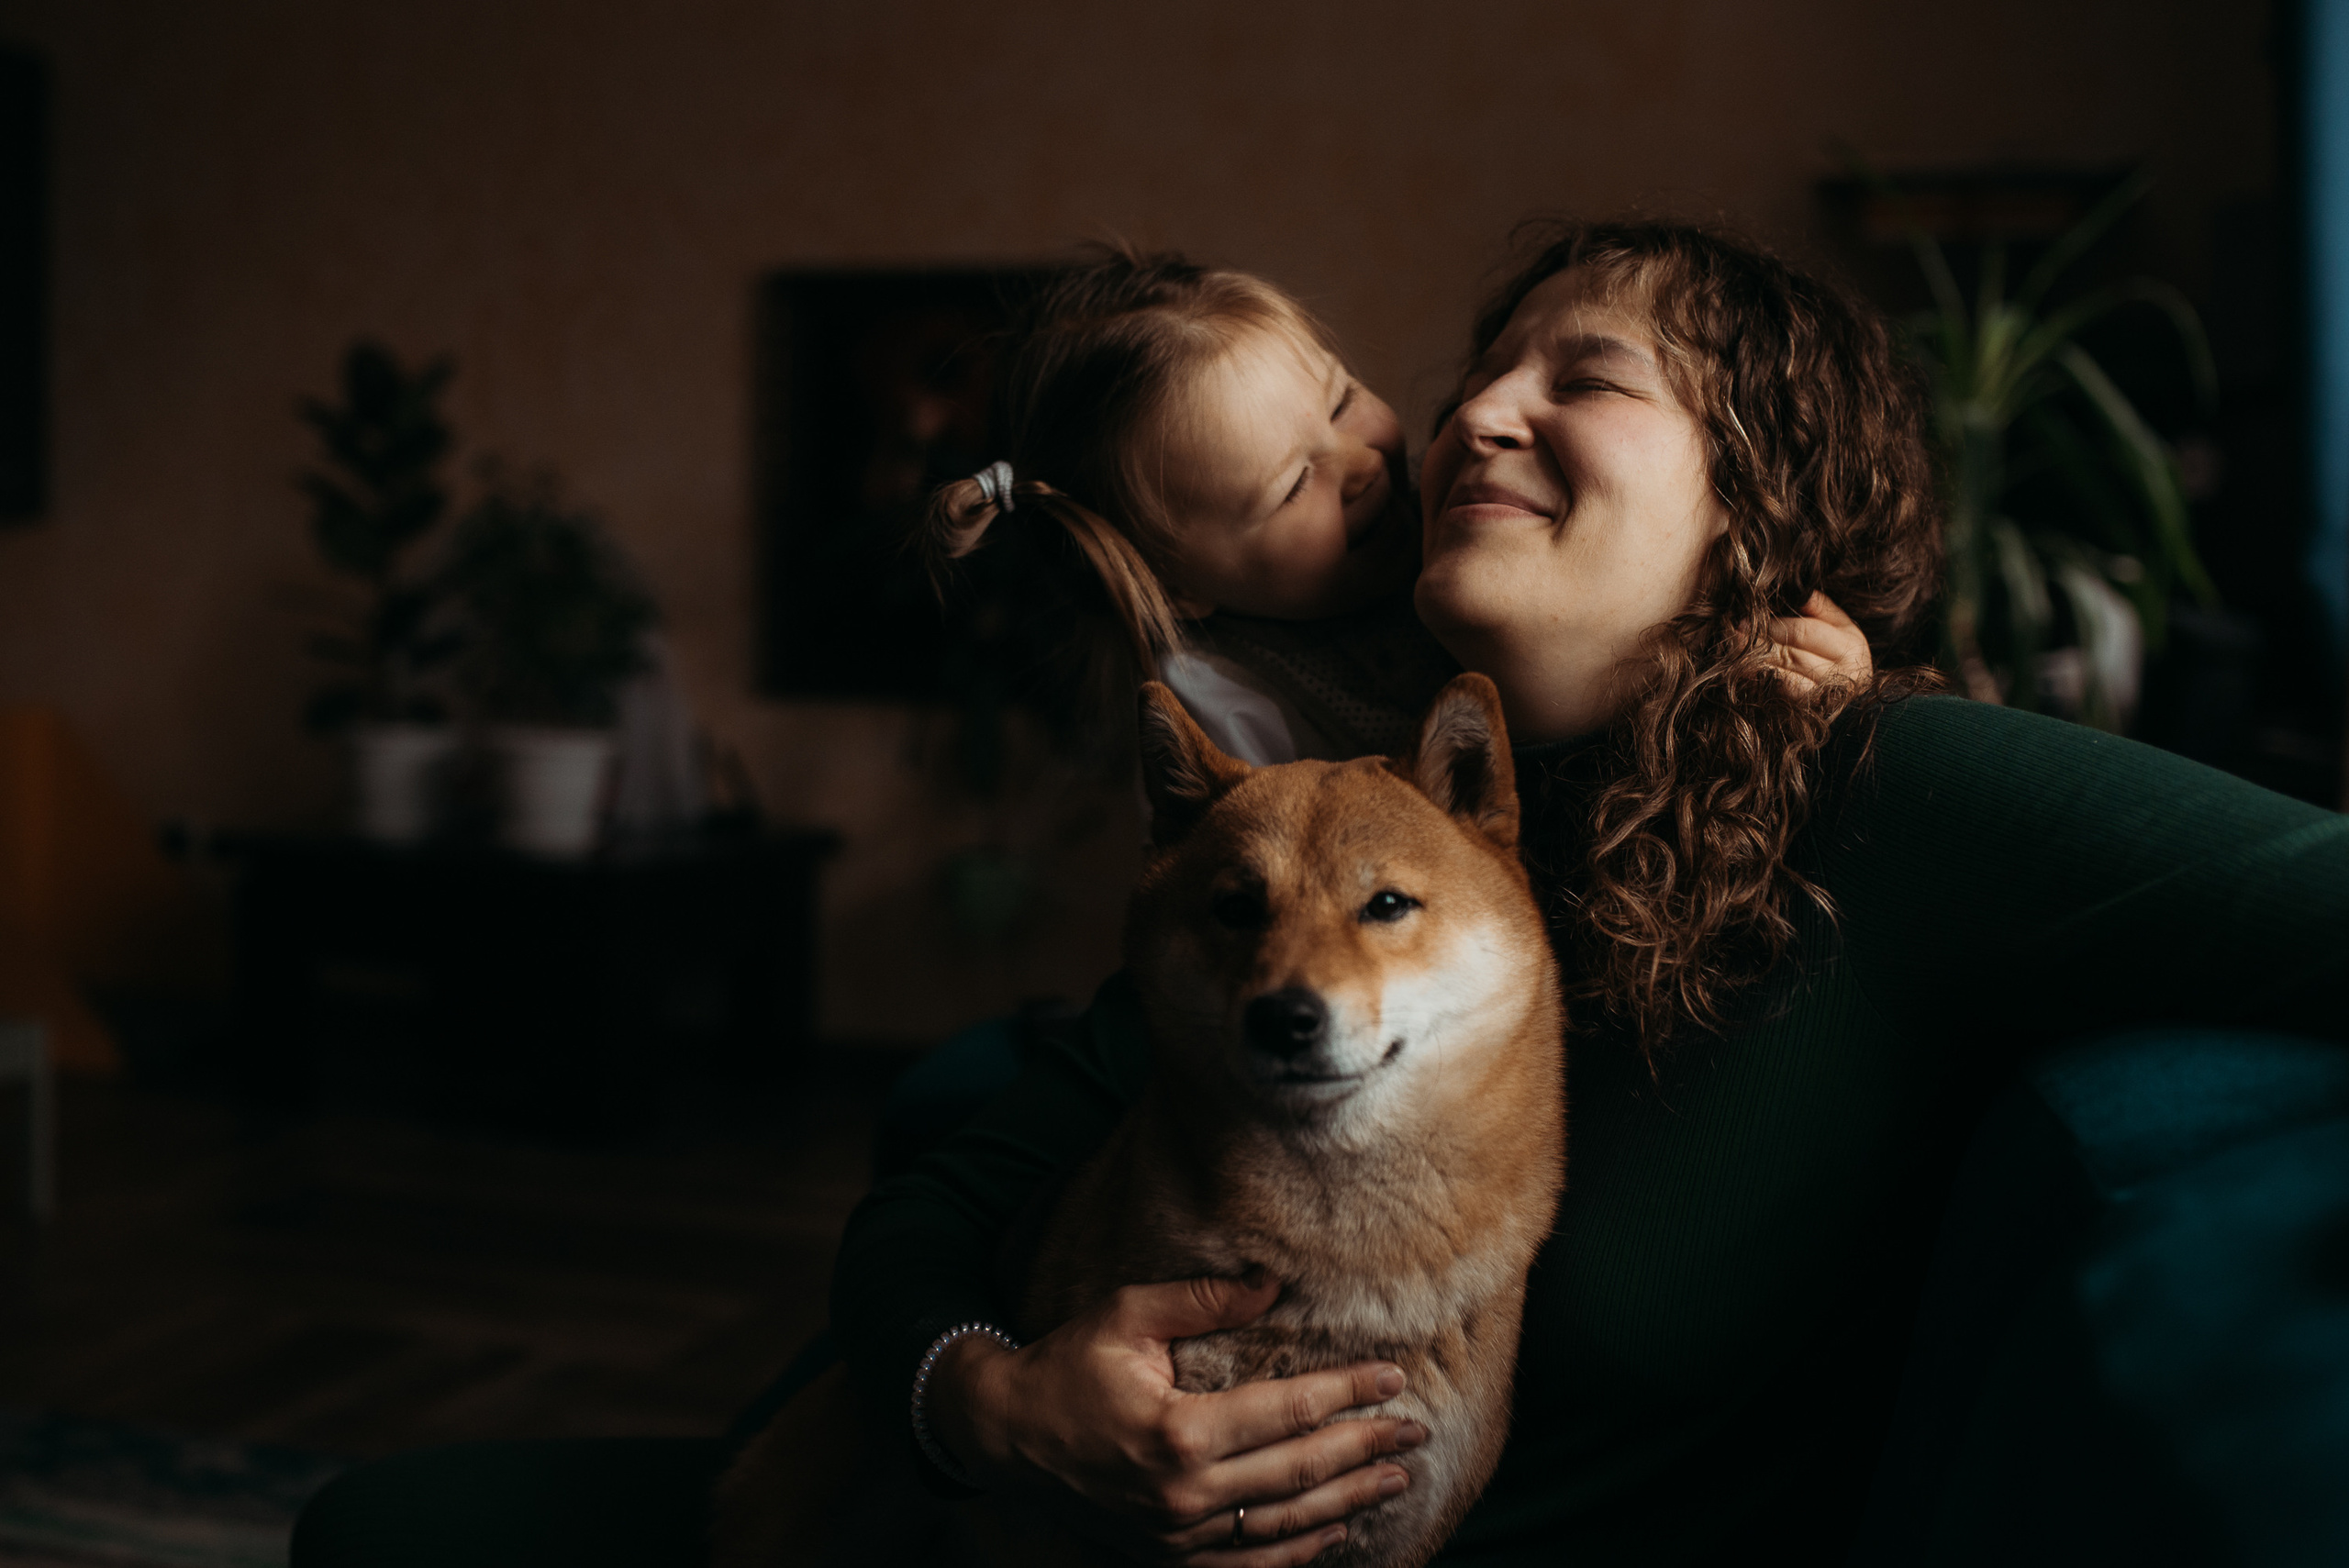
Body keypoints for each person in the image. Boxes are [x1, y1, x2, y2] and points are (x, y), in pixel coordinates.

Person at [828, 220, 2349, 1566]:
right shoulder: (1357, 841)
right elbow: (938, 1205)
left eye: (1591, 378)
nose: (1471, 412)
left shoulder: (1898, 783)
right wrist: (994, 1403)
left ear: (1757, 490)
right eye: (1479, 376)